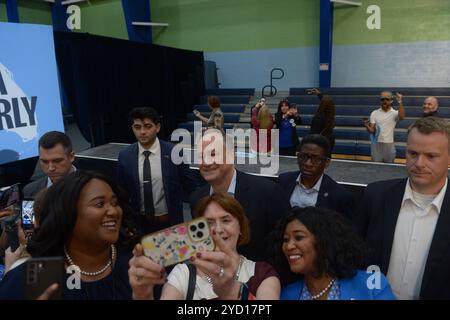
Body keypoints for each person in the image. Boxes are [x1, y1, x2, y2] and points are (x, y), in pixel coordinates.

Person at [0, 171, 136, 299]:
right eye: (100, 204)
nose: (113, 211)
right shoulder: (35, 277)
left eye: (115, 203)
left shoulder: (138, 262)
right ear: (68, 214)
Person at [355, 117, 450, 300]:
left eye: (431, 156)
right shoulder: (375, 196)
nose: (419, 163)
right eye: (413, 154)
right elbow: (357, 255)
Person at [129, 193, 281, 300]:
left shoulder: (263, 273)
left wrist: (231, 293)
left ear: (241, 227)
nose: (218, 230)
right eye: (209, 223)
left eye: (226, 220)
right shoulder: (183, 274)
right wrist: (142, 295)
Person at [189, 129, 289, 261]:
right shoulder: (196, 199)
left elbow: (282, 246)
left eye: (213, 154)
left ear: (232, 156)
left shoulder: (268, 192)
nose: (206, 162)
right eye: (201, 156)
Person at [270, 207, 395, 300]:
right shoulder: (285, 294)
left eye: (299, 237)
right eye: (285, 239)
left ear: (323, 240)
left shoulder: (372, 284)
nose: (289, 246)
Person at [117, 107, 199, 235]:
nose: (142, 132)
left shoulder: (174, 152)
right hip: (139, 226)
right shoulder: (125, 156)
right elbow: (121, 193)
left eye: (147, 126)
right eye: (137, 127)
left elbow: (190, 186)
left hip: (170, 224)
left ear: (158, 127)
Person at [278, 134, 354, 220]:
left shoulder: (339, 196)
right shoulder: (284, 180)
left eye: (316, 159)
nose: (308, 163)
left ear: (327, 162)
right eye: (303, 157)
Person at [23, 131, 75, 198]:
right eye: (45, 161)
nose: (51, 168)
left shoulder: (90, 187)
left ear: (71, 157)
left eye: (57, 161)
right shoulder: (29, 191)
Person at [363, 91, 405, 163]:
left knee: (389, 169)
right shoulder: (374, 113)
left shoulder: (395, 113)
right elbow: (372, 131)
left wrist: (400, 101)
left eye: (387, 99)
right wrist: (366, 125)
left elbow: (402, 117)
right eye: (382, 99)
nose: (384, 101)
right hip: (376, 145)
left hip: (389, 144)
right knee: (376, 168)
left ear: (391, 100)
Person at [308, 88, 336, 155]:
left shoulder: (319, 117)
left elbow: (313, 134)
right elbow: (327, 102)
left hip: (319, 145)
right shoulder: (330, 117)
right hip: (328, 142)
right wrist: (319, 94)